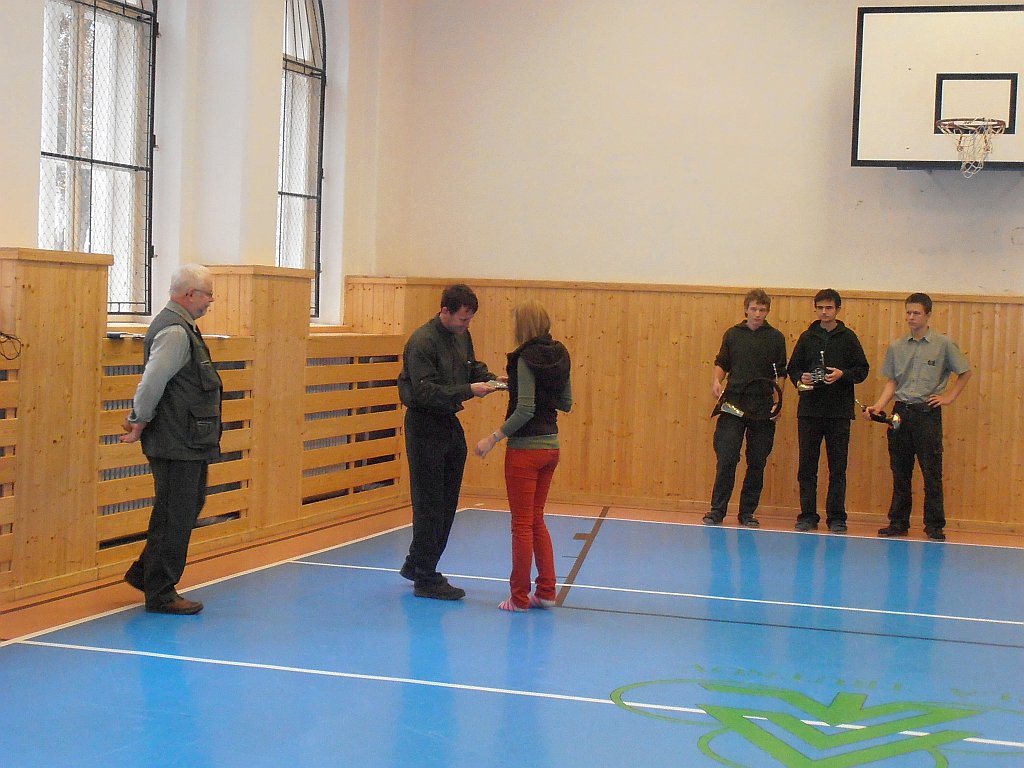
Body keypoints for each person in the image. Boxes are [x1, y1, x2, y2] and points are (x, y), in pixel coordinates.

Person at [120, 264, 222, 615]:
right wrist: (138, 420)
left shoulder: (182, 327)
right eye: (208, 294)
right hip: (176, 439)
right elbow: (152, 381)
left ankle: (145, 574)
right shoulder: (176, 332)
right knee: (174, 514)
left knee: (186, 507)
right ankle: (161, 592)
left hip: (185, 438)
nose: (211, 300)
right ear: (190, 294)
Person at [398, 284, 500, 600]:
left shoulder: (460, 336)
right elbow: (425, 391)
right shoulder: (423, 342)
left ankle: (417, 562)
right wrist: (469, 390)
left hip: (447, 420)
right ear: (445, 311)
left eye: (469, 320)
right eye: (462, 319)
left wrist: (492, 379)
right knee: (430, 503)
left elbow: (471, 366)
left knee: (447, 501)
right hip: (424, 423)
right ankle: (426, 577)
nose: (466, 325)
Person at [475, 300, 572, 613]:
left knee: (521, 525)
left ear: (523, 326)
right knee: (536, 519)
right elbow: (565, 402)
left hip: (525, 451)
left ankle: (518, 598)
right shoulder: (560, 355)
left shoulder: (524, 357)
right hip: (551, 446)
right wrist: (518, 386)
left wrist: (493, 438)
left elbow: (526, 409)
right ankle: (546, 591)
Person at [865, 293, 971, 542]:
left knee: (931, 471)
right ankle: (898, 522)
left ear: (928, 315)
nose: (911, 317)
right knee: (900, 471)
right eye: (908, 312)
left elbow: (965, 372)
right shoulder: (897, 346)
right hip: (901, 412)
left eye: (916, 313)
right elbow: (892, 382)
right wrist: (878, 406)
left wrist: (949, 397)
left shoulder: (943, 344)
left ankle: (934, 525)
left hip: (927, 413)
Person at [788, 289, 870, 534]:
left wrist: (843, 374)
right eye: (820, 308)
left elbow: (862, 370)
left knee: (837, 468)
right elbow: (793, 369)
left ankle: (836, 517)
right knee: (807, 467)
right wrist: (801, 378)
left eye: (829, 308)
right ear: (815, 309)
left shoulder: (848, 338)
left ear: (837, 309)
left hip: (838, 413)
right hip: (809, 412)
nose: (824, 312)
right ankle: (807, 515)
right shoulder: (807, 337)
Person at [705, 288, 787, 528]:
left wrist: (778, 401)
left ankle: (747, 512)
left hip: (762, 406)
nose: (758, 314)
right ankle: (717, 511)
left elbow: (780, 373)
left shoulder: (776, 338)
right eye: (754, 309)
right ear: (746, 309)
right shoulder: (733, 335)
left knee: (757, 460)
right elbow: (721, 363)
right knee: (727, 457)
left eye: (762, 310)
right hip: (733, 404)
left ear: (767, 311)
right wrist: (716, 381)